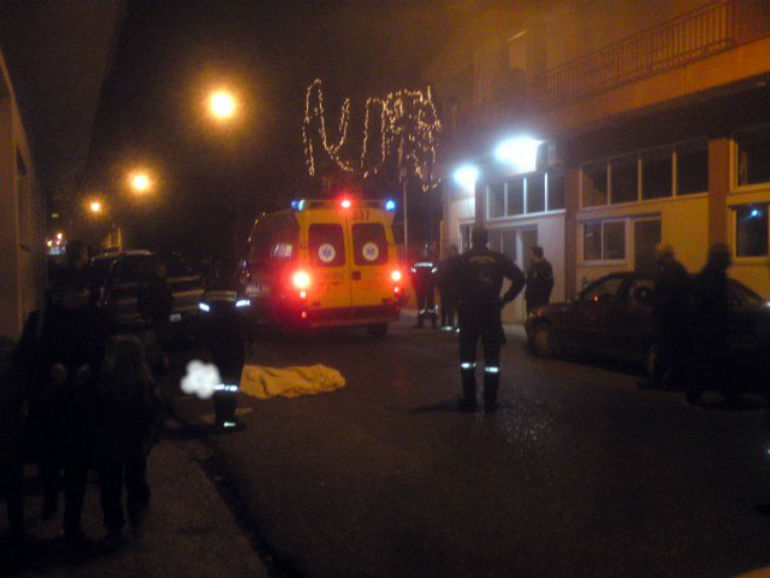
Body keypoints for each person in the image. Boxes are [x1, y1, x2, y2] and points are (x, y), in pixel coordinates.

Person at [93, 335, 161, 547]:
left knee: (111, 486)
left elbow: (99, 411)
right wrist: (149, 438)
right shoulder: (144, 381)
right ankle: (136, 520)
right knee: (135, 481)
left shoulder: (107, 380)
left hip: (111, 442)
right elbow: (152, 412)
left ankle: (114, 527)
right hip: (134, 443)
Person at [450, 227, 525, 412]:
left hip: (469, 314)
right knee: (492, 361)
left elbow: (444, 280)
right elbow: (520, 277)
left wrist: (457, 301)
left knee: (467, 360)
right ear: (487, 239)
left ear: (472, 239)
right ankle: (490, 401)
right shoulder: (498, 258)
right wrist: (504, 299)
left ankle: (469, 400)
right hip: (491, 313)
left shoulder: (462, 259)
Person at [686, 243, 733, 406]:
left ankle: (727, 393)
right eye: (726, 257)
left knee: (713, 361)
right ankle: (694, 395)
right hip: (710, 328)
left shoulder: (711, 275)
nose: (729, 260)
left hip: (708, 327)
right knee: (707, 362)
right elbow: (710, 303)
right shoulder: (712, 277)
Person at [641, 244, 691, 390]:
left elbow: (668, 298)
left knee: (665, 350)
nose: (655, 258)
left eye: (657, 255)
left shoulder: (671, 273)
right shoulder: (677, 270)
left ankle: (659, 380)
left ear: (663, 256)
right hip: (674, 319)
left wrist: (657, 307)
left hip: (670, 320)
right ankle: (666, 380)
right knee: (669, 351)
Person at [137, 261, 173, 372]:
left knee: (160, 342)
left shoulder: (159, 282)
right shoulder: (153, 283)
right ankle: (159, 365)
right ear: (158, 270)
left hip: (160, 316)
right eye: (163, 270)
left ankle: (161, 364)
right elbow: (148, 301)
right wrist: (148, 315)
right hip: (157, 317)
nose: (165, 273)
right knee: (158, 342)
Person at [410, 245, 439, 329]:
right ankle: (422, 323)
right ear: (420, 253)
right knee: (421, 307)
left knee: (430, 306)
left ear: (426, 253)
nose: (423, 253)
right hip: (423, 287)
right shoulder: (429, 262)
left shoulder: (417, 263)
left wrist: (433, 285)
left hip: (427, 287)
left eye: (424, 252)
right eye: (422, 252)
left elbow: (434, 275)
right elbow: (413, 275)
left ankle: (432, 323)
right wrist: (415, 285)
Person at [524, 246, 554, 316]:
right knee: (530, 316)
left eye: (530, 254)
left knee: (540, 316)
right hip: (531, 297)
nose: (529, 256)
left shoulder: (546, 266)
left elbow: (549, 283)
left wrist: (544, 295)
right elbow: (530, 280)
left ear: (536, 254)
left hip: (541, 299)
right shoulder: (532, 265)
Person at [438, 244, 460, 332]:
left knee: (458, 307)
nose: (449, 252)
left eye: (451, 250)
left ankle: (459, 325)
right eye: (449, 250)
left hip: (457, 288)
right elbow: (440, 274)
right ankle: (449, 324)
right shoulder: (445, 262)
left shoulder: (460, 261)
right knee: (447, 307)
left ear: (455, 251)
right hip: (446, 287)